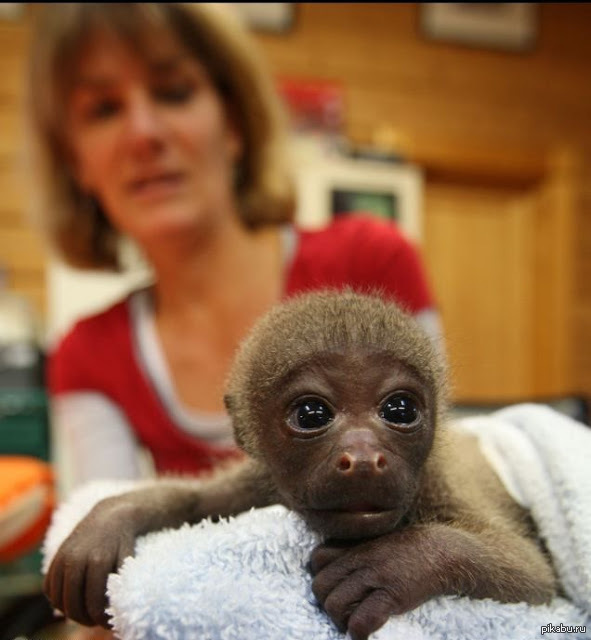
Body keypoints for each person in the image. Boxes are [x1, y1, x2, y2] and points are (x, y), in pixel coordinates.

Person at [27, 3, 442, 495]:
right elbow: (106, 528)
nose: (144, 133)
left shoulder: (369, 262)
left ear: (234, 123)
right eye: (103, 109)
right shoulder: (87, 355)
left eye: (174, 93)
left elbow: (433, 468)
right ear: (76, 162)